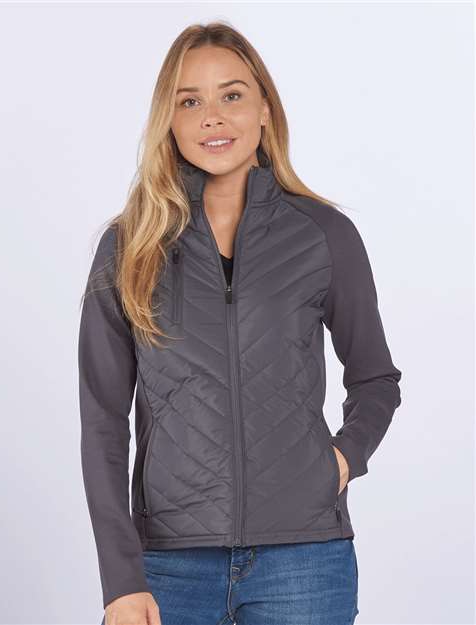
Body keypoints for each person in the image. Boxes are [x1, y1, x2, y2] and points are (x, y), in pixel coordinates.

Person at [78, 21, 402, 625]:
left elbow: (376, 378)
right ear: (169, 122)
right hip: (168, 565)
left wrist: (342, 459)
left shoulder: (324, 235)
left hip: (304, 562)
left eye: (231, 95)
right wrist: (120, 578)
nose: (212, 118)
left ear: (264, 111)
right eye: (189, 102)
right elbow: (102, 422)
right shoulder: (129, 247)